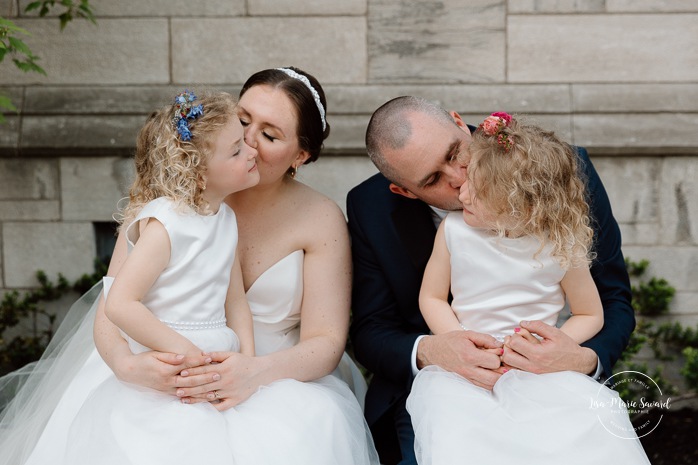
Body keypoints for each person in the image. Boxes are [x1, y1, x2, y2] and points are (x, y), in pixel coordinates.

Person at [90, 68, 377, 463]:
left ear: (300, 156)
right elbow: (113, 303)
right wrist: (127, 366)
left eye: (270, 135)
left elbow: (326, 341)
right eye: (243, 122)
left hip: (273, 379)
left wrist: (253, 371)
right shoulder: (173, 199)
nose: (250, 142)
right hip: (160, 368)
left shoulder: (320, 219)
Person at [347, 97, 635, 464]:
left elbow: (612, 302)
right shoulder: (369, 207)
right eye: (433, 179)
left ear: (458, 121)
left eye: (454, 153)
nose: (459, 178)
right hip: (445, 392)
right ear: (404, 191)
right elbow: (372, 329)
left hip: (548, 379)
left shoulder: (552, 171)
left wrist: (579, 358)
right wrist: (437, 349)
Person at [0, 90, 261, 464]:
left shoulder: (226, 218)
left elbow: (234, 299)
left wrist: (247, 364)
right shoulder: (166, 223)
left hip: (219, 359)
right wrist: (186, 355)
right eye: (236, 150)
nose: (251, 152)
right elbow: (120, 303)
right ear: (200, 174)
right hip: (167, 359)